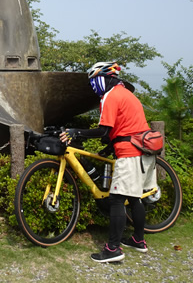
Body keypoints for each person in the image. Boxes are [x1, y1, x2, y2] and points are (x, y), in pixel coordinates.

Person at [59, 61, 156, 263]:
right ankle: (138, 240)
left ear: (103, 78)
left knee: (117, 200)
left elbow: (103, 130)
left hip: (129, 154)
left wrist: (75, 131)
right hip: (142, 151)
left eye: (93, 80)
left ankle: (113, 249)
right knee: (135, 197)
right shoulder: (128, 94)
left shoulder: (111, 96)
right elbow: (123, 128)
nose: (93, 85)